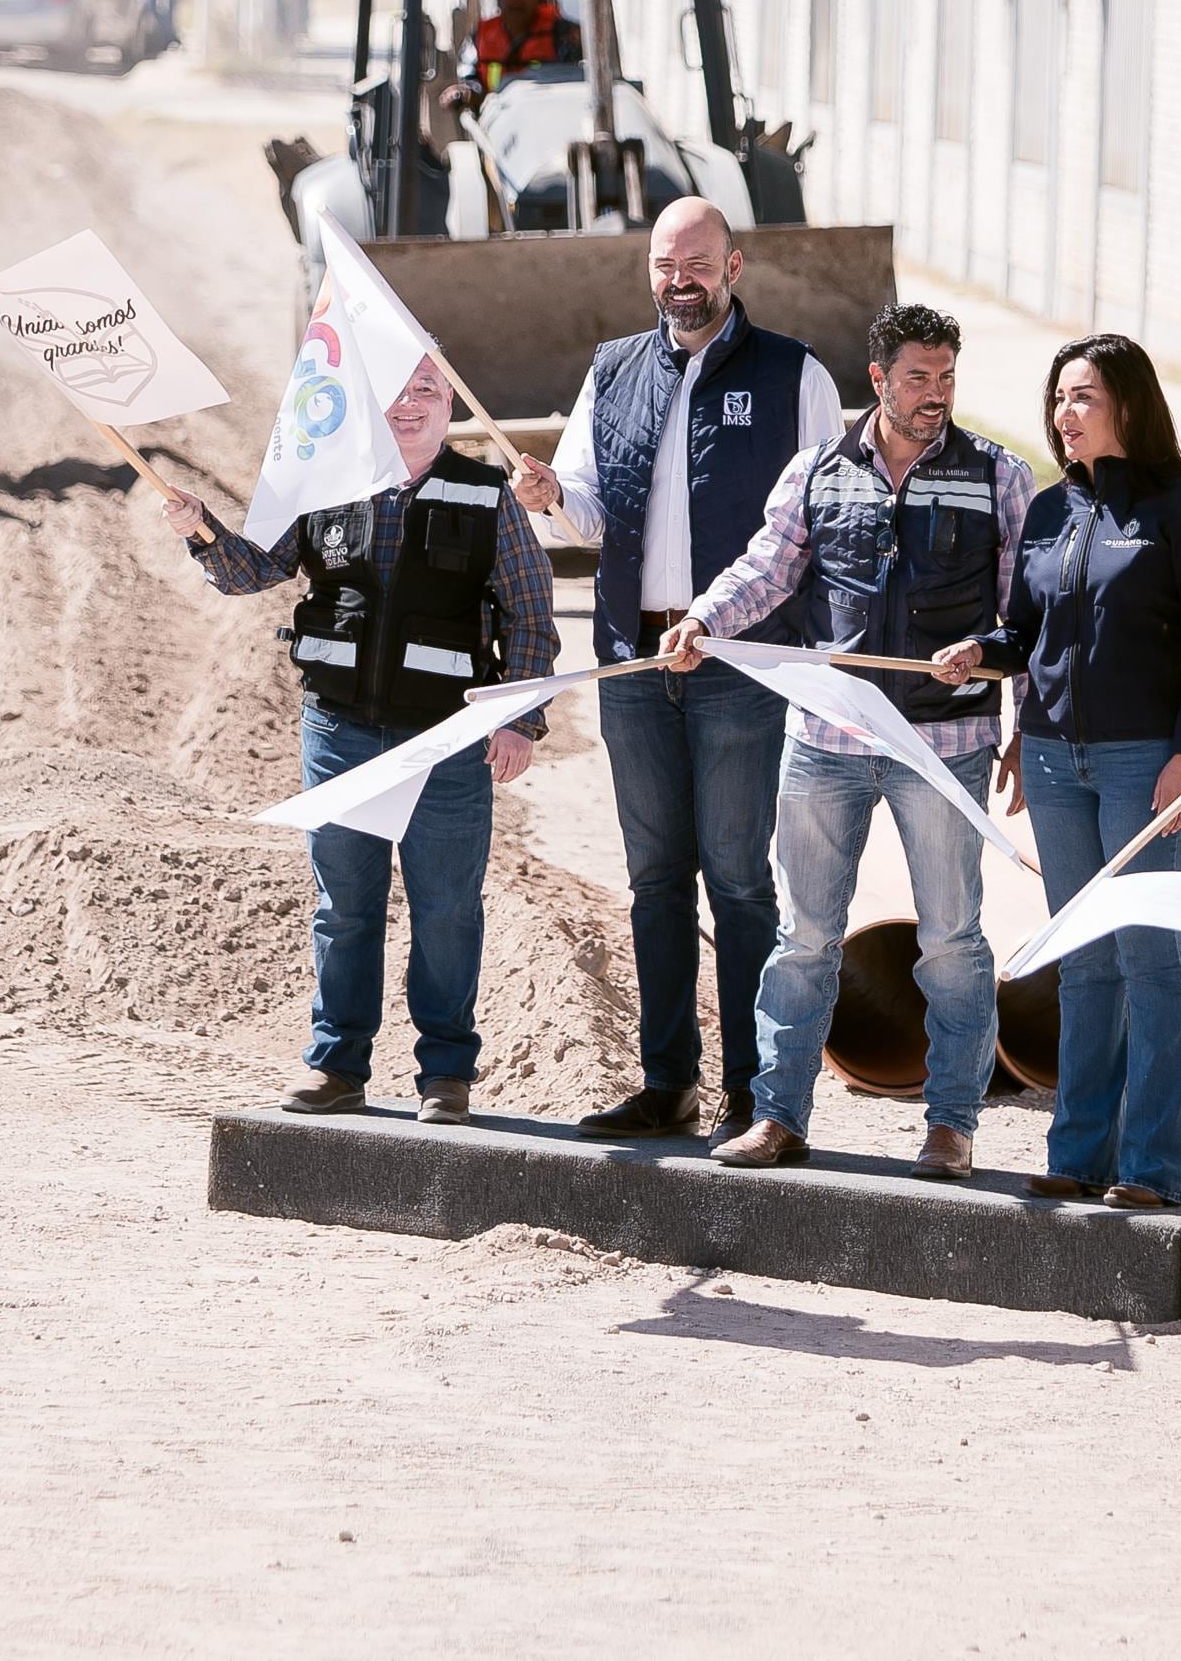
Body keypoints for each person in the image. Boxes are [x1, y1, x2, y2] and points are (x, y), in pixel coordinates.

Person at [665, 302, 1030, 1180]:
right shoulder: (817, 470)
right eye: (917, 377)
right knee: (802, 938)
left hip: (948, 745)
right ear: (877, 379)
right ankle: (779, 1116)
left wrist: (990, 657)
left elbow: (1030, 611)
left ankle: (952, 1128)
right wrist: (705, 619)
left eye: (946, 377)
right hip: (825, 737)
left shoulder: (999, 476)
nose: (934, 395)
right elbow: (767, 566)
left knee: (952, 941)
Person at [517, 198, 848, 1137]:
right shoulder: (614, 370)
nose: (681, 282)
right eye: (666, 266)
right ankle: (668, 1086)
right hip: (631, 663)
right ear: (649, 272)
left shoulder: (794, 376)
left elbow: (829, 524)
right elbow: (583, 509)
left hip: (740, 666)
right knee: (656, 880)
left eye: (698, 264)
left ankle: (756, 1095)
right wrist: (548, 496)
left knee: (740, 882)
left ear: (734, 267)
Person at [170, 355, 555, 1123]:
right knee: (345, 905)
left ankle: (445, 1075)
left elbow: (529, 615)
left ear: (450, 406)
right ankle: (336, 1067)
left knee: (446, 909)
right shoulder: (327, 483)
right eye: (393, 392)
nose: (408, 406)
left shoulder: (487, 498)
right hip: (340, 730)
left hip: (447, 741)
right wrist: (203, 530)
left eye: (426, 390)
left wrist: (519, 719)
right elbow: (255, 571)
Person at [940, 334, 1181, 1208]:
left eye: (1085, 398)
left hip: (1149, 760)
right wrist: (981, 655)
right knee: (1083, 961)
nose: (1066, 415)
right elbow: (1026, 635)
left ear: (1130, 404)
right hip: (1053, 760)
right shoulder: (1046, 511)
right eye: (1060, 399)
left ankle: (1152, 1168)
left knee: (1150, 959)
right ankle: (1079, 1155)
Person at [467, 0, 582, 93]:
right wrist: (467, 91)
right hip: (498, 112)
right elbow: (469, 75)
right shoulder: (480, 37)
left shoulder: (562, 33)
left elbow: (574, 77)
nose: (515, 3)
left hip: (547, 109)